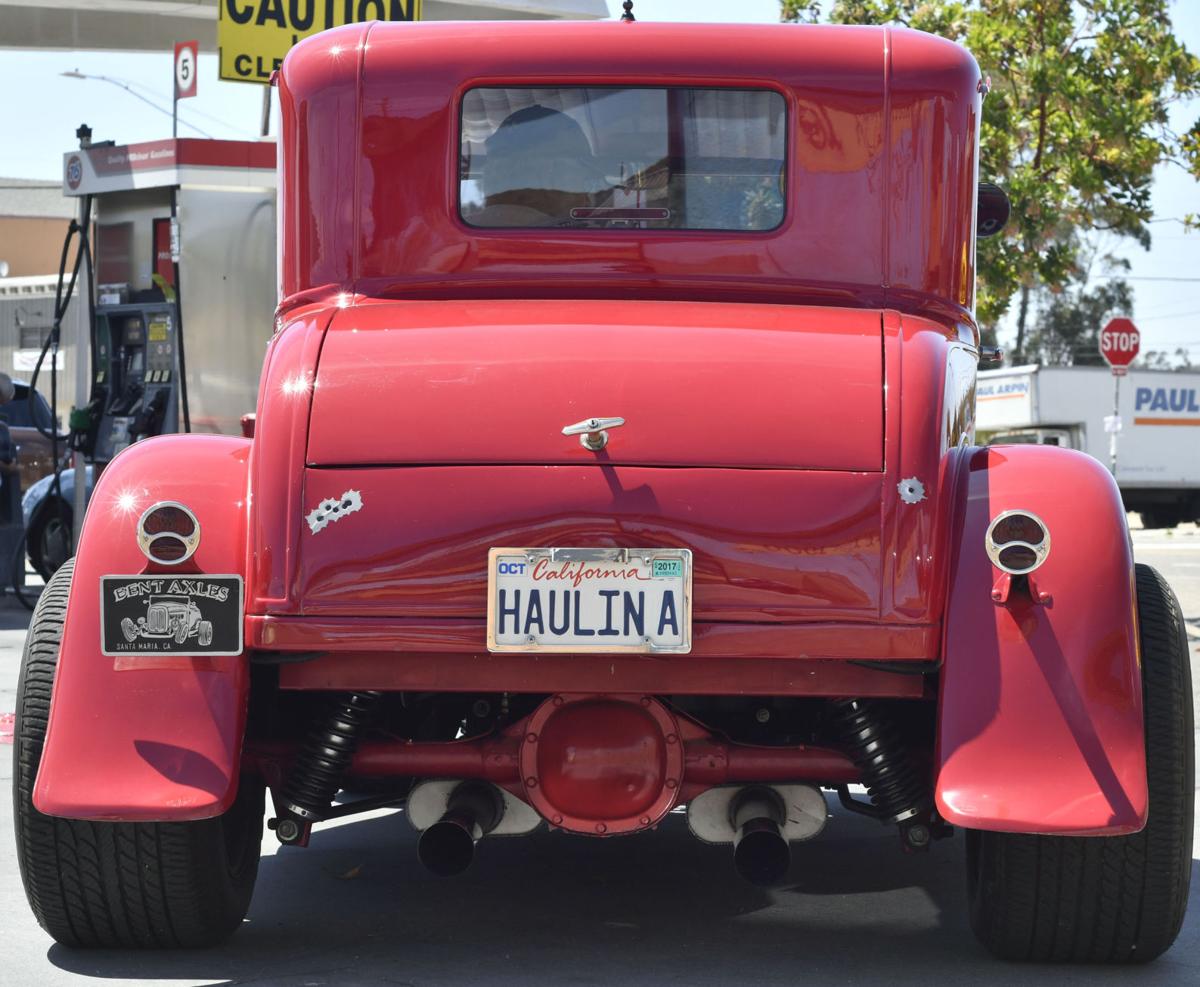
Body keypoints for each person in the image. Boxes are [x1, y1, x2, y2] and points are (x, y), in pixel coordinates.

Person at [474, 105, 608, 226]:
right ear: (549, 173)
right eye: (581, 166)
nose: (587, 191)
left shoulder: (475, 230)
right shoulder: (559, 235)